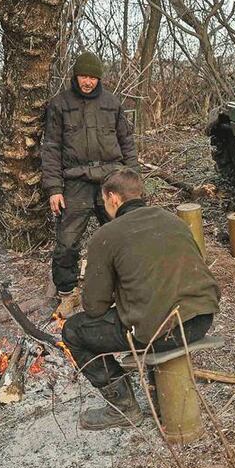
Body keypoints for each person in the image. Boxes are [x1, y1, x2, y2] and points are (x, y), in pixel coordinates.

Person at [61, 168, 220, 430]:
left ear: (113, 198)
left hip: (163, 331)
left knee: (74, 330)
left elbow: (94, 307)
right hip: (201, 319)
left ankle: (123, 409)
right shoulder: (173, 220)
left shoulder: (106, 236)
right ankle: (158, 392)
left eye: (104, 201)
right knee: (152, 307)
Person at [41, 52, 137, 317]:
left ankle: (128, 288)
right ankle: (67, 294)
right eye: (84, 76)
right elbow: (51, 148)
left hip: (111, 178)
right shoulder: (60, 104)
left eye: (93, 77)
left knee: (124, 234)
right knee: (67, 242)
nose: (88, 82)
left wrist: (133, 180)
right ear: (75, 76)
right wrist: (54, 189)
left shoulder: (112, 103)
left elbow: (127, 142)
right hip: (76, 180)